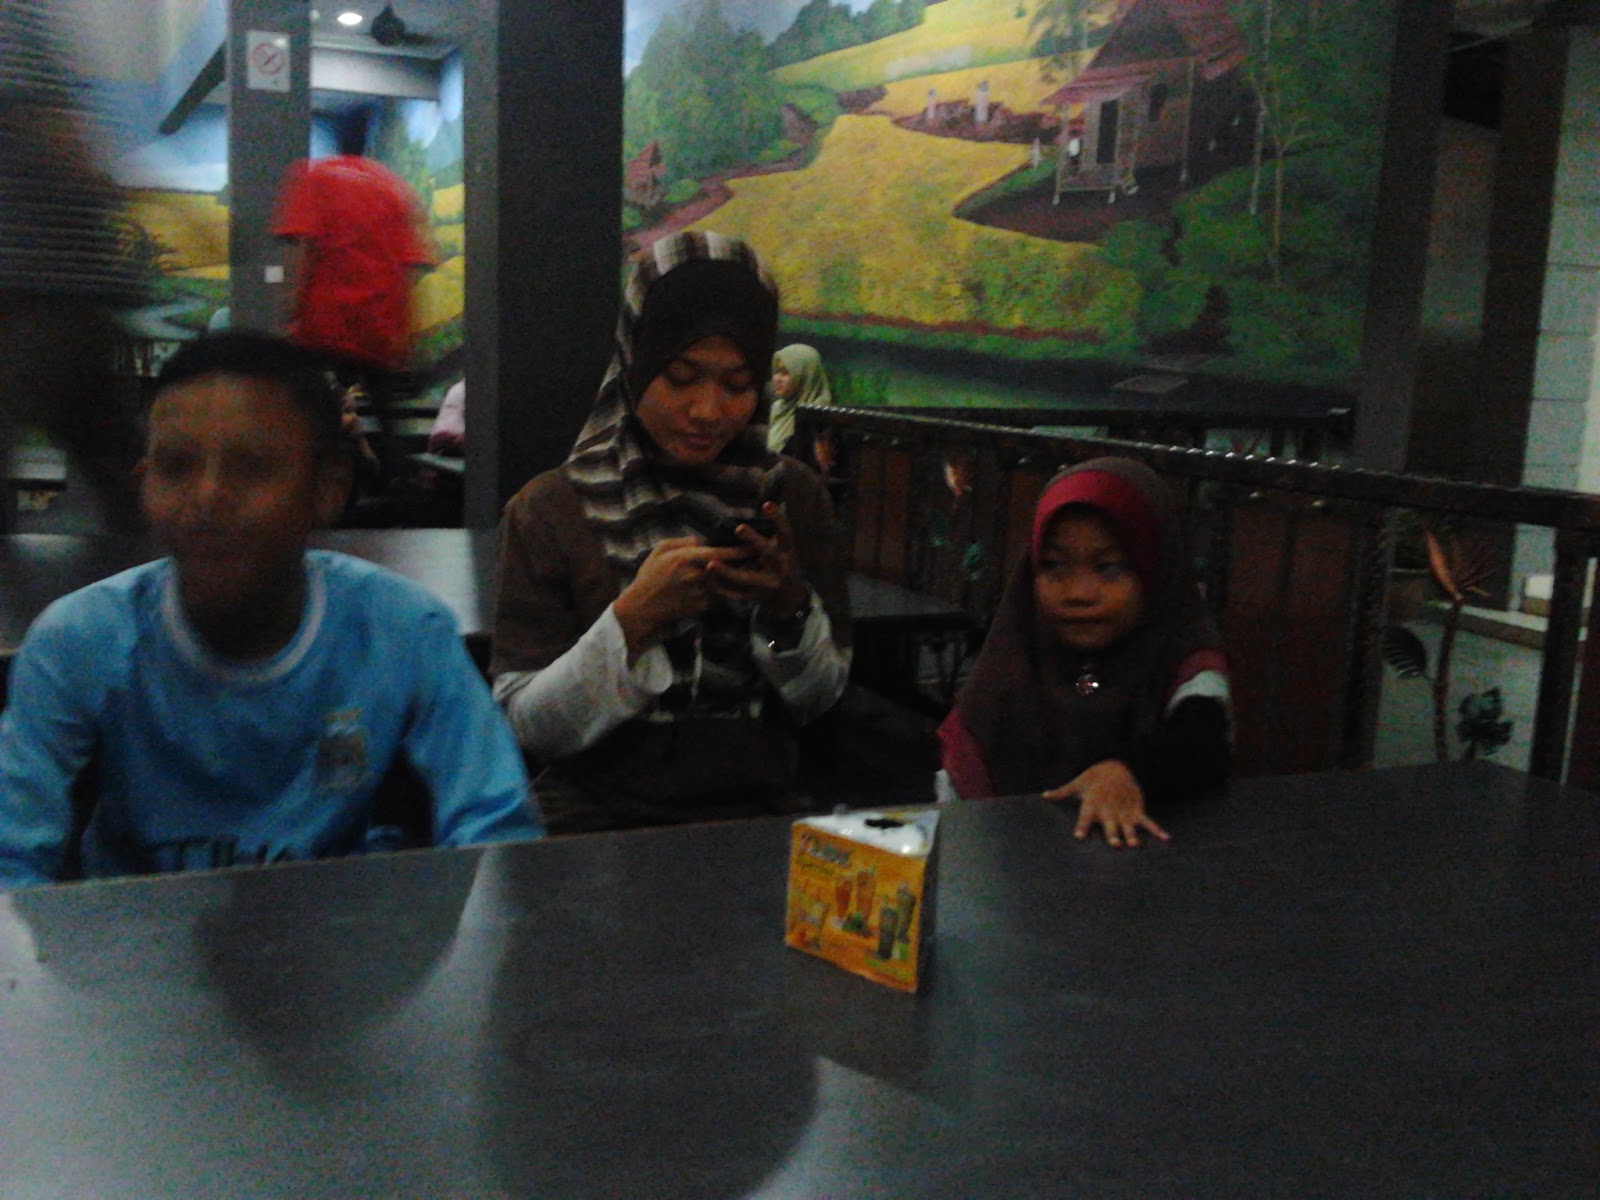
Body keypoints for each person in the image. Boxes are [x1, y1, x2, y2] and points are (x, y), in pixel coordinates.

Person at [0, 332, 542, 888]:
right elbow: (9, 858)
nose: (207, 496)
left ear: (327, 488)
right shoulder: (78, 642)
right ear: (145, 485)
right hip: (135, 939)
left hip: (345, 931)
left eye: (252, 466)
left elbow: (496, 831)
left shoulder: (404, 631)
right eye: (176, 466)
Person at [491, 231, 852, 834]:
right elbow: (527, 728)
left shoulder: (793, 496)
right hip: (592, 822)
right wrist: (633, 620)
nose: (708, 410)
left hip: (757, 816)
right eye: (681, 377)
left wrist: (787, 605)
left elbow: (820, 699)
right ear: (635, 364)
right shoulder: (552, 509)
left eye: (738, 384)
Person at [937, 457, 1230, 847]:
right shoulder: (1012, 661)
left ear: (1154, 570)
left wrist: (1129, 771)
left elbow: (1200, 741)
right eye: (1055, 567)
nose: (1078, 594)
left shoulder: (1186, 659)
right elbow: (961, 805)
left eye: (1109, 568)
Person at [271, 141, 434, 463]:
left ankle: (314, 479)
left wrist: (289, 306)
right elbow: (411, 268)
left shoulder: (316, 176)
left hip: (324, 325)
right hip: (377, 329)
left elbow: (300, 246)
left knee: (305, 413)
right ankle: (394, 482)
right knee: (389, 425)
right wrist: (407, 335)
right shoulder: (393, 188)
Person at [766, 343, 832, 456]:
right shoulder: (777, 408)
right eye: (777, 371)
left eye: (785, 373)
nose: (777, 379)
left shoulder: (820, 418)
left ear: (806, 375)